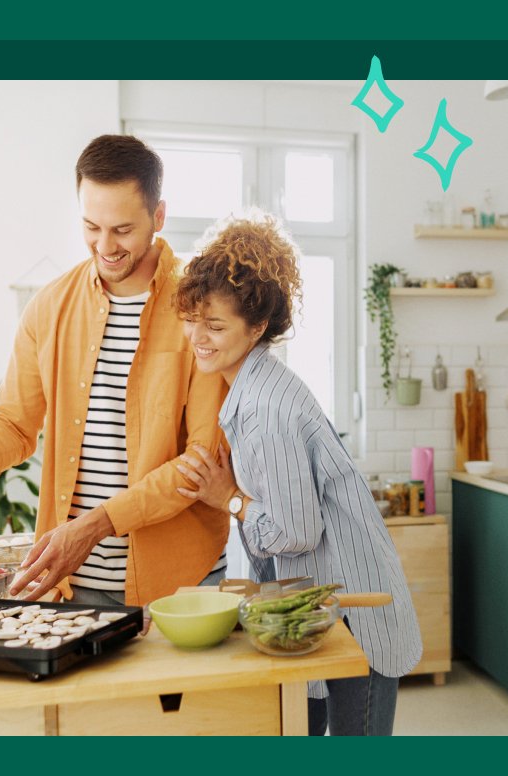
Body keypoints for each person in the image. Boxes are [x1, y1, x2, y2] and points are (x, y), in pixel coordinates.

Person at [0, 134, 230, 606]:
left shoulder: (201, 308)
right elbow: (13, 424)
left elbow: (199, 462)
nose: (105, 246)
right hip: (73, 585)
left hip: (181, 583)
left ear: (158, 217)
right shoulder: (49, 308)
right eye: (91, 226)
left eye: (122, 229)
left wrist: (95, 526)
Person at [173, 211, 422, 736]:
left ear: (257, 326)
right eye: (192, 319)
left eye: (215, 326)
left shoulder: (265, 407)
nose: (198, 336)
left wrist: (229, 499)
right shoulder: (256, 385)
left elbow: (296, 531)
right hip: (323, 603)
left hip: (357, 609)